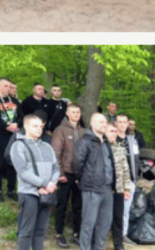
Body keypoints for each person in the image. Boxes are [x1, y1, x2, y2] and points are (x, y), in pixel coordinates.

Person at [13, 114, 60, 250]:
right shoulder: (18, 146)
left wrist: (50, 185)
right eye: (35, 126)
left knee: (40, 231)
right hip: (28, 194)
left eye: (40, 126)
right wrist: (44, 184)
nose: (39, 129)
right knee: (26, 232)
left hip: (46, 194)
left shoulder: (47, 146)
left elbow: (56, 168)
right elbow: (23, 172)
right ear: (26, 126)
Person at [74, 113, 116, 250]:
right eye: (100, 122)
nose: (104, 124)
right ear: (92, 123)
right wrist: (85, 181)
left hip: (107, 189)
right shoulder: (85, 141)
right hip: (91, 188)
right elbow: (77, 165)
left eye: (105, 122)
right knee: (88, 224)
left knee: (104, 224)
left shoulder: (105, 143)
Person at [52, 104, 85, 248]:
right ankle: (59, 233)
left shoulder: (84, 131)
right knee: (62, 204)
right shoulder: (61, 130)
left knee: (78, 205)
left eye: (78, 112)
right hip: (66, 173)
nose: (76, 114)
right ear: (67, 113)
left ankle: (76, 233)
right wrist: (60, 173)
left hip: (80, 174)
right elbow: (56, 153)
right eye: (73, 112)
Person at [113, 115, 140, 242]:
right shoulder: (111, 138)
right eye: (120, 122)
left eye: (125, 122)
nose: (122, 124)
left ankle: (123, 234)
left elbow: (136, 159)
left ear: (128, 124)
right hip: (113, 179)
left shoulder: (132, 140)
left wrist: (135, 178)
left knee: (125, 210)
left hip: (129, 180)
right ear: (115, 123)